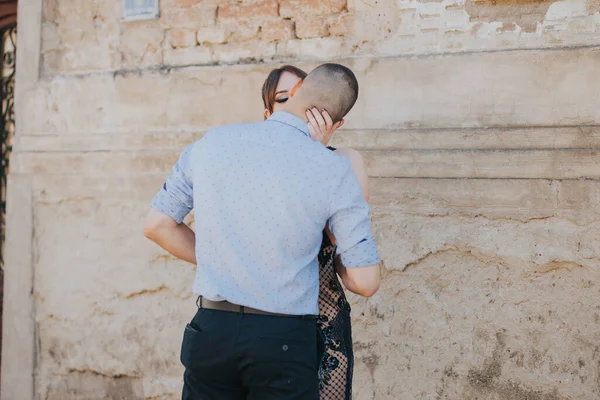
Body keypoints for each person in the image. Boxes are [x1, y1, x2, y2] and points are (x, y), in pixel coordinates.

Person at [144, 63, 381, 400]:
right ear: (337, 122)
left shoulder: (213, 142)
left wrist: (228, 260)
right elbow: (365, 282)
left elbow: (157, 225)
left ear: (297, 92)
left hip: (211, 328)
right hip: (282, 339)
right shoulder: (334, 169)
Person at [262, 65, 369, 400]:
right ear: (269, 114)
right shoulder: (253, 164)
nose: (301, 107)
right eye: (285, 98)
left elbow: (342, 242)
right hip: (263, 318)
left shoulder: (345, 162)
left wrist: (317, 155)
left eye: (306, 95)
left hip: (323, 316)